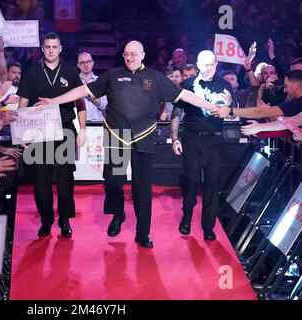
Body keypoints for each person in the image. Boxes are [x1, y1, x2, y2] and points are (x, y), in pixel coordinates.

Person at [35, 41, 229, 248]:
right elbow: (83, 91)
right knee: (113, 182)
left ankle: (142, 232)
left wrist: (212, 106)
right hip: (116, 134)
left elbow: (186, 95)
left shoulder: (155, 78)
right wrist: (53, 101)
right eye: (126, 54)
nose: (129, 58)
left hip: (143, 136)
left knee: (142, 187)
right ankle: (118, 215)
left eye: (134, 54)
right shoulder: (112, 75)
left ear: (143, 55)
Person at [17, 32, 87, 238]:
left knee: (65, 179)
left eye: (54, 47)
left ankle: (64, 219)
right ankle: (46, 219)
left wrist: (82, 130)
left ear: (60, 49)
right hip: (38, 131)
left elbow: (80, 102)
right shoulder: (32, 72)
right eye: (47, 47)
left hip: (65, 129)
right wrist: (21, 135)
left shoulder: (70, 72)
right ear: (42, 48)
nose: (51, 50)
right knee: (40, 181)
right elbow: (23, 103)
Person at [171, 50, 235, 241]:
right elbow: (176, 113)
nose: (208, 68)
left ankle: (208, 226)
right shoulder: (188, 84)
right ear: (197, 65)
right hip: (192, 138)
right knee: (191, 181)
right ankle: (187, 215)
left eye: (212, 64)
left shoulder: (225, 85)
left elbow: (229, 114)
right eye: (205, 64)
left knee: (213, 184)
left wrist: (229, 106)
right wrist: (175, 138)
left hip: (215, 139)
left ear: (216, 64)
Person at [77, 52, 107, 122]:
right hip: (79, 125)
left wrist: (88, 91)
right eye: (82, 62)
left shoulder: (101, 81)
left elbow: (104, 105)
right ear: (78, 65)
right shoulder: (74, 82)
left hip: (98, 124)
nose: (86, 65)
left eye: (88, 61)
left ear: (93, 63)